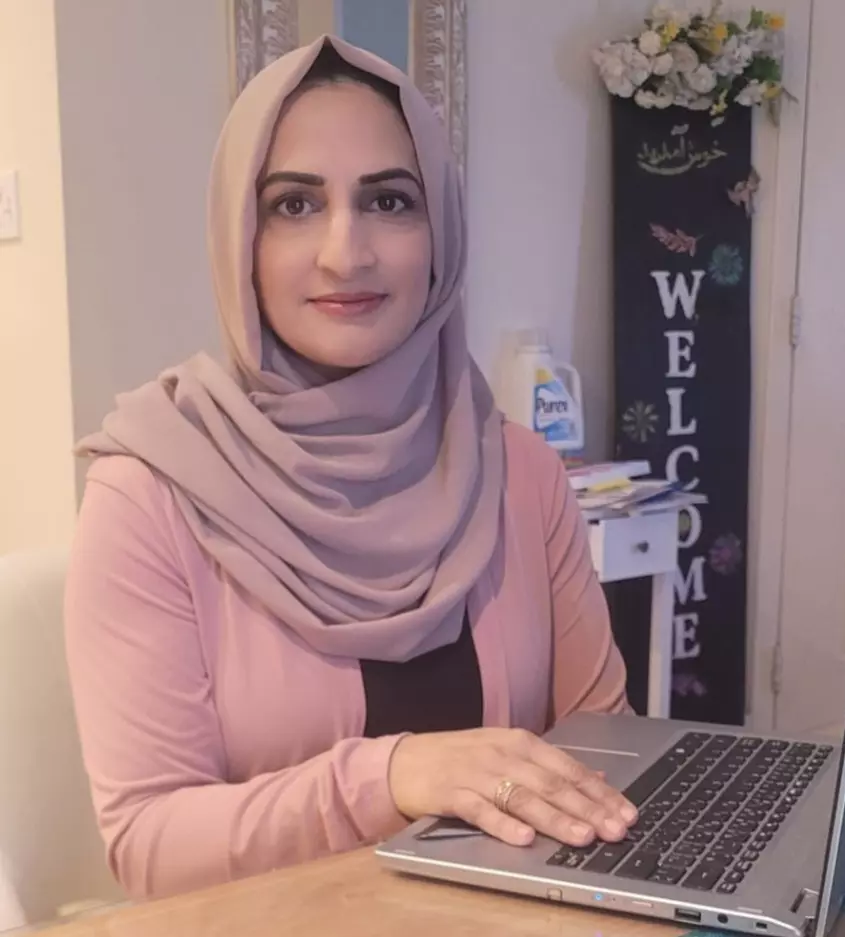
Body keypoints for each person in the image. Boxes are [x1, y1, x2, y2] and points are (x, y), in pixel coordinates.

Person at [64, 36, 636, 902]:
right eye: (294, 205)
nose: (345, 252)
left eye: (389, 201)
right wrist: (392, 775)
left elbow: (607, 745)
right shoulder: (149, 492)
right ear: (239, 238)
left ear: (439, 236)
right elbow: (151, 844)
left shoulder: (518, 470)